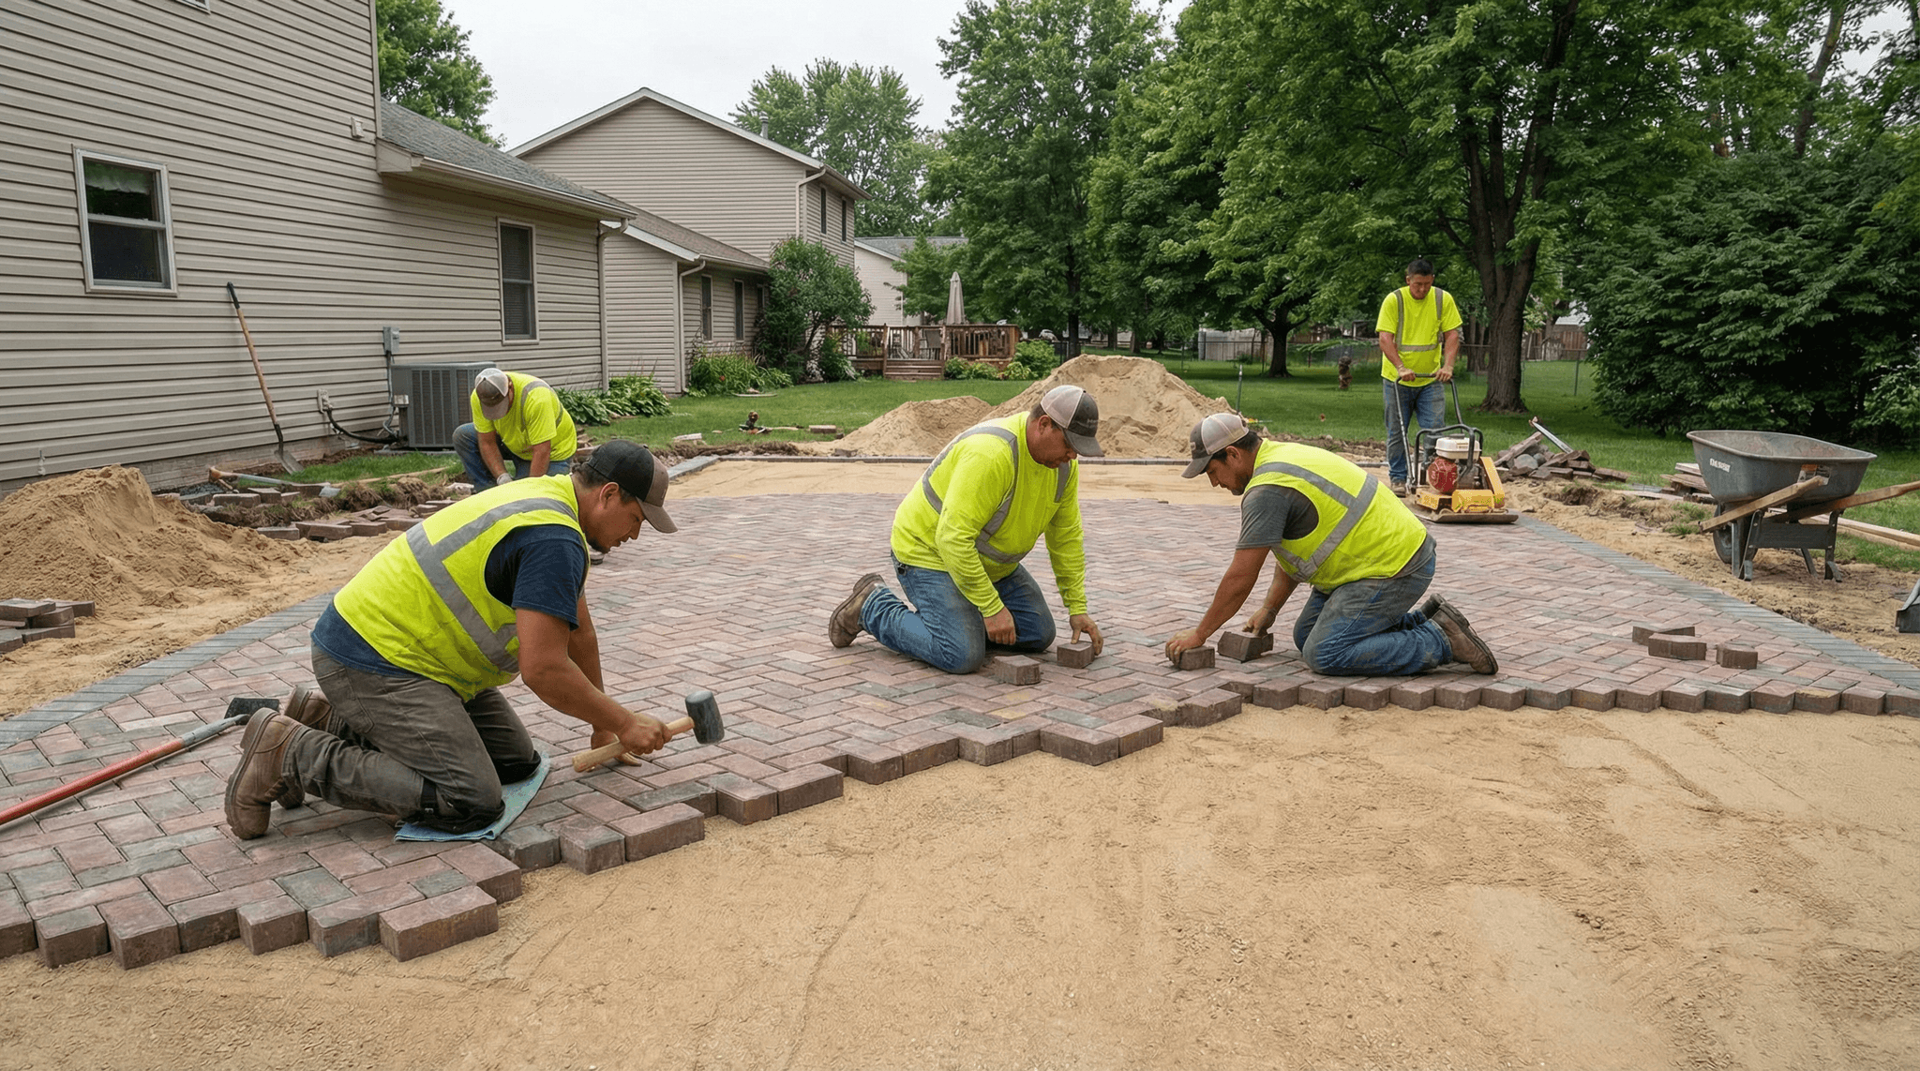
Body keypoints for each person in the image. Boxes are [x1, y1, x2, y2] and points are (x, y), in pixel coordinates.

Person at [224, 440, 679, 839]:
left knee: (514, 764)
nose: (634, 535)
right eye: (637, 519)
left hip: (423, 662)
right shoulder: (552, 539)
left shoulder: (550, 498)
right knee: (470, 798)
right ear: (609, 494)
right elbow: (543, 669)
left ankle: (324, 717)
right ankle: (289, 752)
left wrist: (600, 721)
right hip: (373, 658)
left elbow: (580, 633)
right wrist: (623, 722)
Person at [1163, 413, 1497, 678]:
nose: (1214, 482)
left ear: (1233, 454)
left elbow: (1240, 577)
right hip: (1367, 562)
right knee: (1306, 635)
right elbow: (1294, 549)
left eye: (1212, 470)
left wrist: (1201, 633)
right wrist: (1270, 609)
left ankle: (1442, 640)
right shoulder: (1278, 455)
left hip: (1394, 566)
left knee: (1324, 652)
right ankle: (1429, 620)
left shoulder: (1266, 490)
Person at [828, 384, 1107, 674]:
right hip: (929, 554)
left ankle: (962, 621)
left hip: (988, 565)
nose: (1073, 456)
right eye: (1070, 444)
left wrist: (1077, 608)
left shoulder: (1062, 468)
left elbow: (1066, 538)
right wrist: (991, 608)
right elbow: (952, 539)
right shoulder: (991, 455)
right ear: (1044, 424)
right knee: (961, 654)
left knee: (1038, 633)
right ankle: (873, 606)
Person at [1376, 258, 1463, 495]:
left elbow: (1452, 335)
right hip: (1397, 379)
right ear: (1408, 280)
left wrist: (1448, 366)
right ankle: (1398, 478)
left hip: (1431, 379)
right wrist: (1401, 367)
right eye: (1417, 284)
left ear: (1432, 280)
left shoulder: (1442, 299)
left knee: (1434, 431)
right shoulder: (1394, 300)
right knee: (1397, 431)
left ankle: (1431, 476)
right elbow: (1385, 338)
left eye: (1426, 284)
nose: (1422, 289)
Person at [453, 367, 578, 492]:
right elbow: (486, 441)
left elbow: (542, 450)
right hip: (514, 442)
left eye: (501, 405)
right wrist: (502, 478)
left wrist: (530, 489)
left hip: (552, 452)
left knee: (535, 495)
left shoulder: (536, 398)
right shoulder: (481, 396)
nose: (499, 413)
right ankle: (487, 490)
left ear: (510, 387)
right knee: (463, 435)